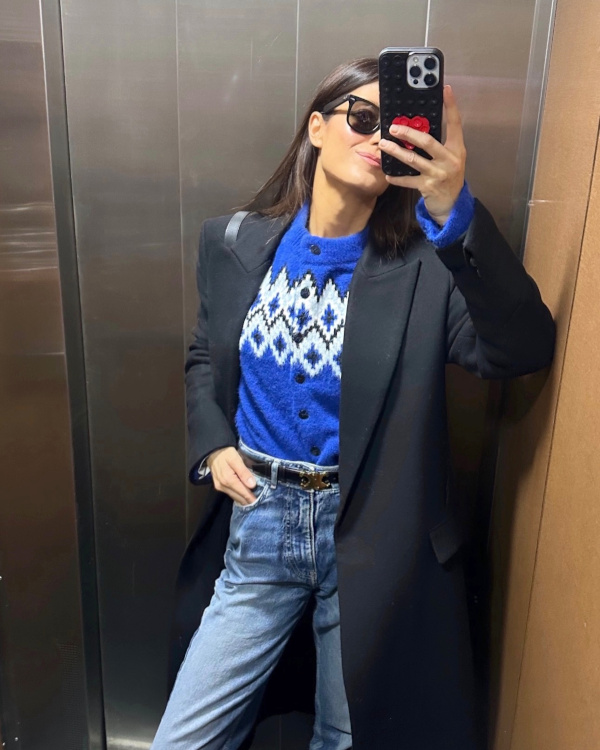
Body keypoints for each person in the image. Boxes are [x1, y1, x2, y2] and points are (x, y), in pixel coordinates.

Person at [151, 57, 556, 750]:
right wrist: (213, 445)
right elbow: (204, 355)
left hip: (371, 536)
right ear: (317, 127)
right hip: (260, 525)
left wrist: (453, 211)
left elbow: (519, 349)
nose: (377, 139)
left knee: (348, 735)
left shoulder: (429, 268)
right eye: (362, 119)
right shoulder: (234, 242)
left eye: (394, 128)